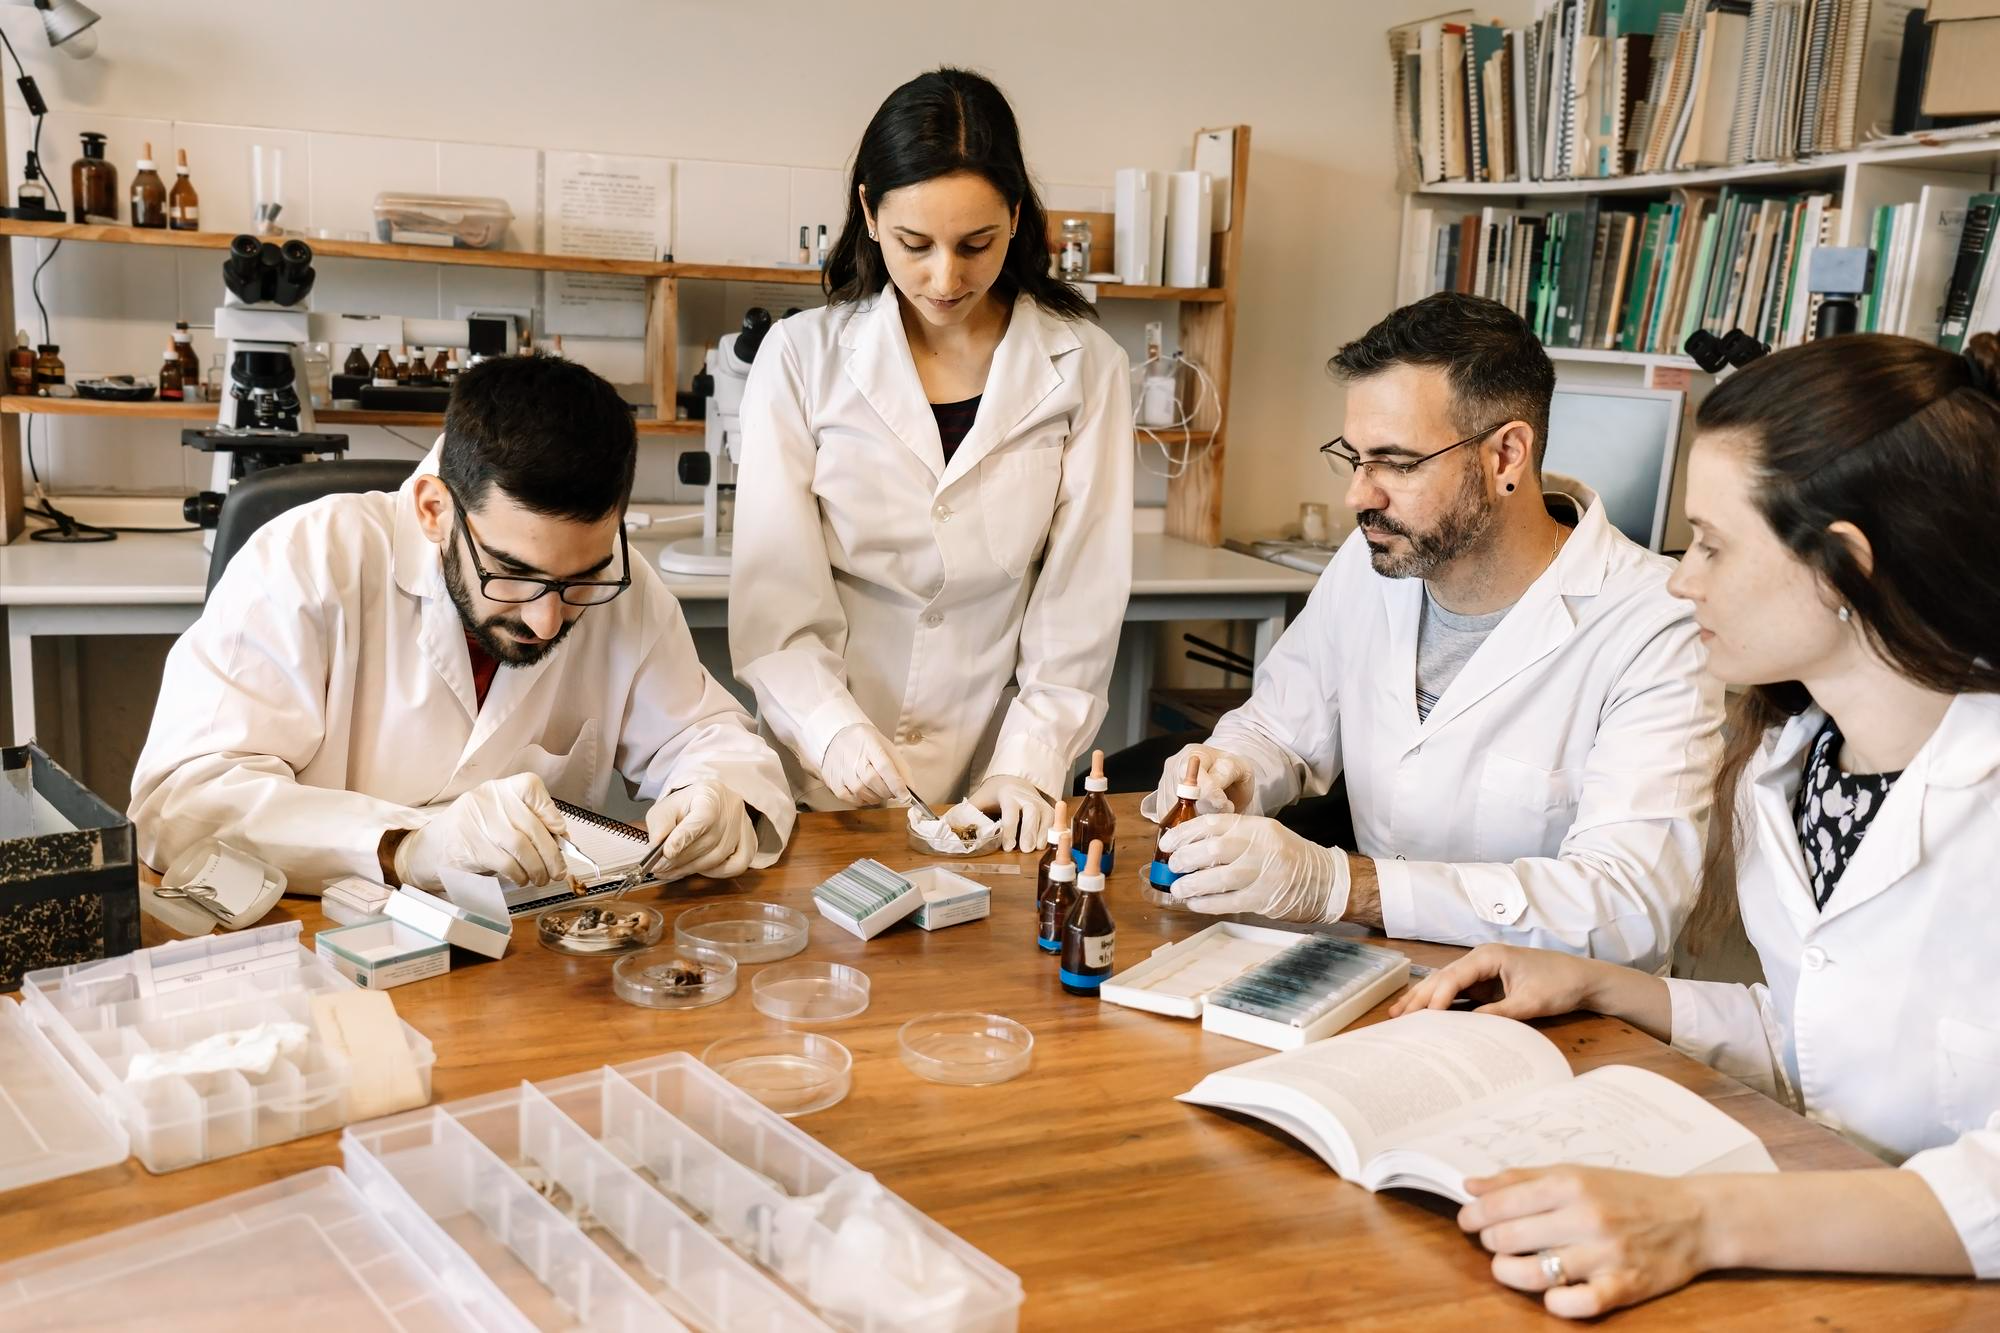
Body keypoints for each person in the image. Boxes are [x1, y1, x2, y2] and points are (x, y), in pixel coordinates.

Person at [1394, 332, 2000, 1316]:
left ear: (1842, 565)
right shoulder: (1797, 760)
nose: (1680, 578)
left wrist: (1697, 1220)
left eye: (1711, 543)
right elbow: (1822, 1036)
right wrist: (1603, 985)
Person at [1150, 292, 1722, 971]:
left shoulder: (1657, 624)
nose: (1359, 496)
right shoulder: (1375, 563)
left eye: (1397, 462)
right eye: (1355, 458)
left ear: (1507, 455)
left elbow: (1629, 907)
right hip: (1374, 977)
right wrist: (1234, 769)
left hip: (1553, 1017)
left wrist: (1343, 886)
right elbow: (1278, 726)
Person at [131, 354, 794, 894]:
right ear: (432, 510)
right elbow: (180, 801)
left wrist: (720, 797)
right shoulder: (307, 563)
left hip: (531, 978)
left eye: (581, 578)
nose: (546, 617)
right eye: (512, 571)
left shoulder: (621, 586)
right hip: (327, 961)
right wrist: (406, 845)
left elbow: (710, 737)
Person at [729, 67, 1134, 851]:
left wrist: (1028, 763)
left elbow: (1079, 603)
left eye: (976, 244)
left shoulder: (1086, 366)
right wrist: (832, 732)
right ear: (869, 215)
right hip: (823, 770)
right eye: (916, 243)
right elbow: (776, 606)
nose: (946, 278)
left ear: (1017, 217)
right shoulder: (801, 357)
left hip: (1000, 771)